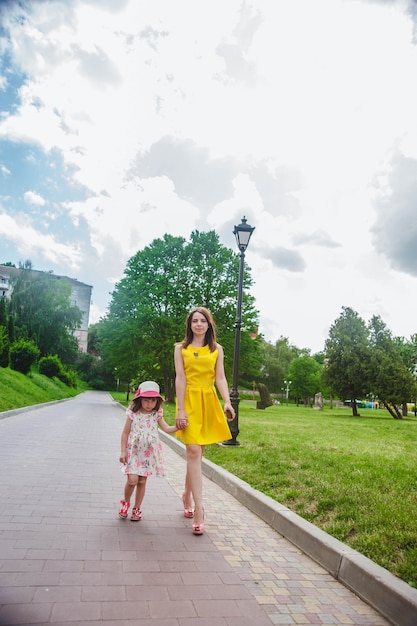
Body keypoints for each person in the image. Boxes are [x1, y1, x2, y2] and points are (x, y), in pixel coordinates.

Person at [174, 306, 235, 535]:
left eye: (202, 321)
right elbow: (180, 379)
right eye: (194, 321)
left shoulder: (216, 349)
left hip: (208, 402)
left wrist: (227, 401)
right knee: (192, 452)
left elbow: (220, 377)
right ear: (190, 325)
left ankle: (187, 495)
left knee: (198, 453)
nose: (198, 324)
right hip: (189, 402)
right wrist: (180, 410)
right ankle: (199, 509)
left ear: (209, 325)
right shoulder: (181, 349)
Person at [119, 380, 179, 521]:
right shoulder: (133, 413)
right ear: (140, 399)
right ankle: (126, 502)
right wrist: (123, 451)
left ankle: (137, 508)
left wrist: (178, 427)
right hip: (133, 452)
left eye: (152, 401)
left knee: (142, 481)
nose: (149, 404)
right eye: (146, 400)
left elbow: (166, 428)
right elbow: (125, 433)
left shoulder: (156, 414)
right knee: (132, 480)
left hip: (148, 454)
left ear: (157, 401)